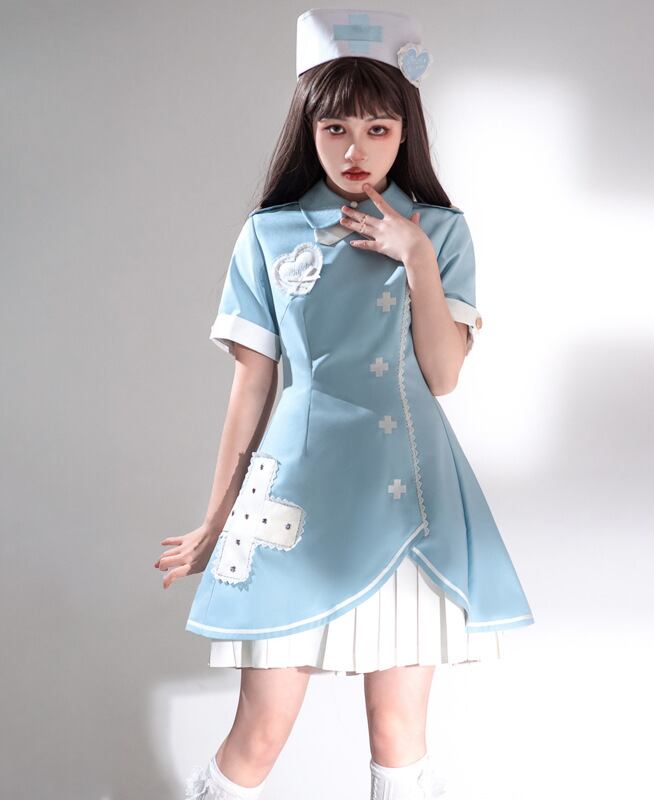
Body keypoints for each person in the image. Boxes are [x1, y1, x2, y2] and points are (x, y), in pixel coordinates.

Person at [153, 9, 535, 799]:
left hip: (411, 507)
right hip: (294, 498)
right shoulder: (268, 235)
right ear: (308, 130)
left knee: (399, 740)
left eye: (377, 128)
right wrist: (217, 519)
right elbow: (251, 388)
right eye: (336, 128)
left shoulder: (440, 233)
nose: (356, 149)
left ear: (405, 133)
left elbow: (443, 376)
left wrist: (416, 256)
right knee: (259, 736)